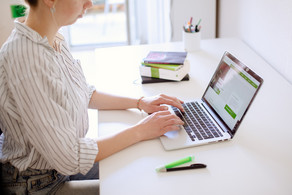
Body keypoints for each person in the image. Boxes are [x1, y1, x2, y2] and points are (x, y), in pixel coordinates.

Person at [0, 0, 185, 194]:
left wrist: (139, 103)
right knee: (141, 184)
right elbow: (70, 157)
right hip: (39, 184)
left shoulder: (51, 39)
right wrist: (141, 130)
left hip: (57, 168)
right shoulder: (28, 58)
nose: (89, 3)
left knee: (145, 162)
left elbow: (84, 93)